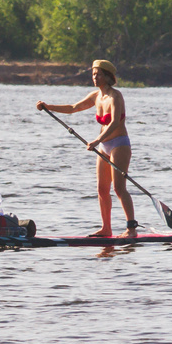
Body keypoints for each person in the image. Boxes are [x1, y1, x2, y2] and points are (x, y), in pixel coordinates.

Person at [36, 60, 138, 238]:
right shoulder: (96, 96)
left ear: (107, 77)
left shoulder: (116, 96)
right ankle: (106, 229)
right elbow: (74, 108)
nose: (94, 77)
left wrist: (97, 140)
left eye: (98, 74)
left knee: (119, 189)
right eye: (93, 74)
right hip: (105, 145)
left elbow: (115, 122)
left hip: (119, 144)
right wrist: (48, 106)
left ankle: (131, 229)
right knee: (101, 190)